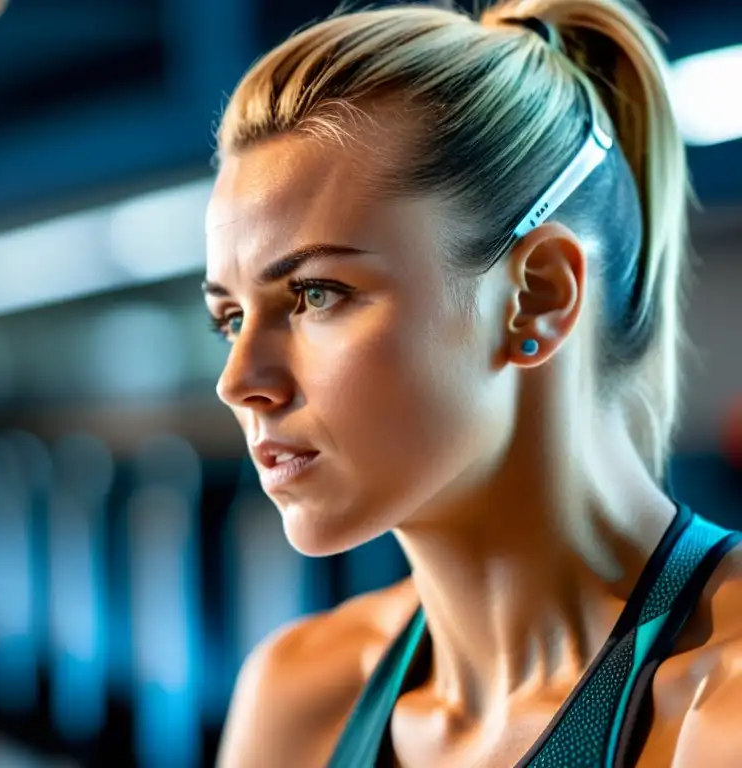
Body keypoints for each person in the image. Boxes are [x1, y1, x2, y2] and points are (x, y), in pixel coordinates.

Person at [201, 0, 742, 765]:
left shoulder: (722, 714)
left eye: (315, 294)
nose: (238, 380)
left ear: (539, 297)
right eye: (229, 317)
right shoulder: (298, 699)